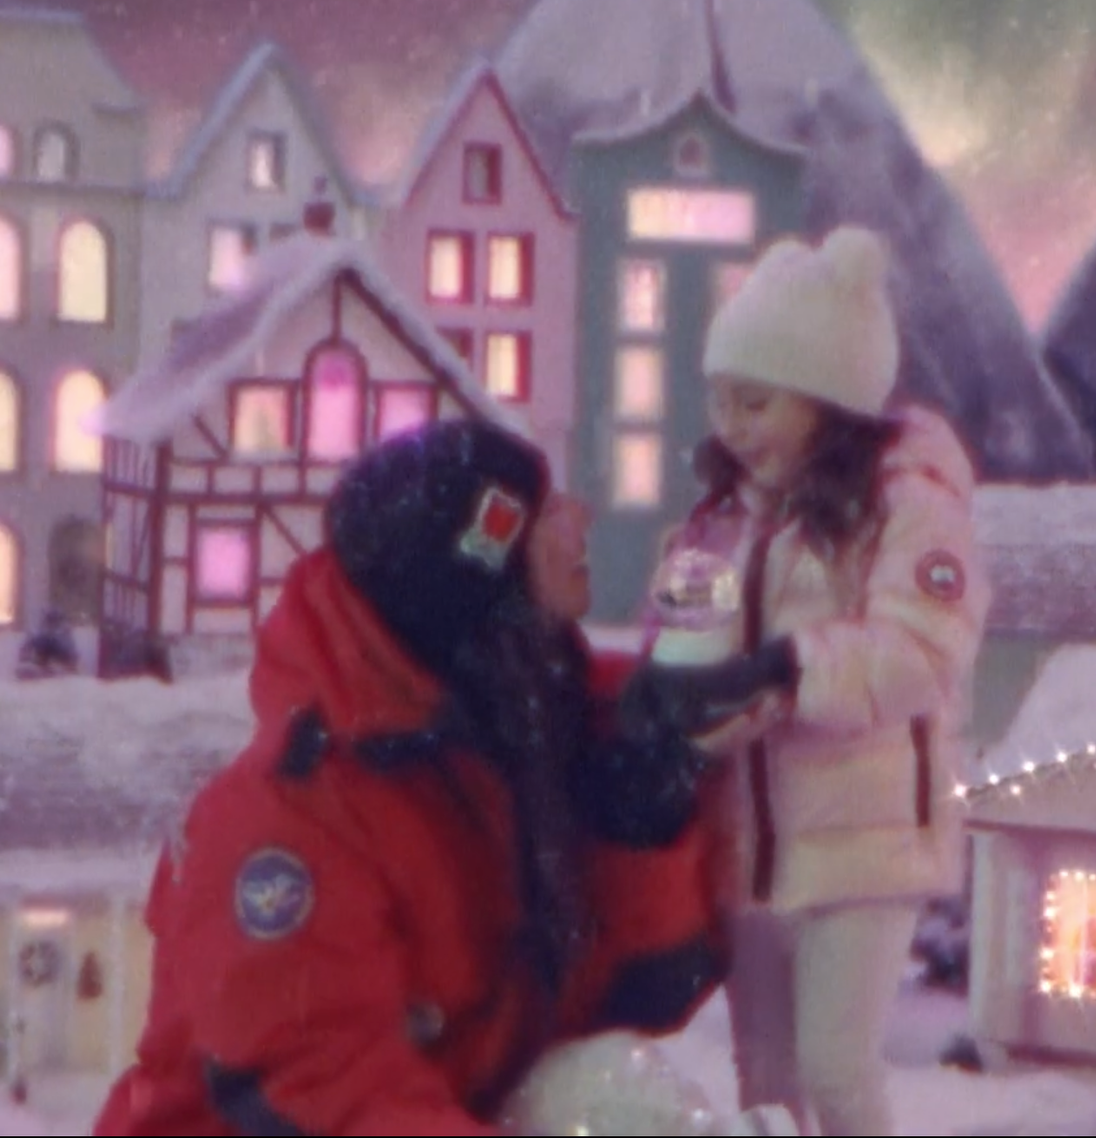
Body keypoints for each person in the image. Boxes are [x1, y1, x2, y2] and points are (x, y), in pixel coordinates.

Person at [95, 419, 726, 1137]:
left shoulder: (515, 737)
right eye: (548, 510)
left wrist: (642, 819)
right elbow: (324, 1095)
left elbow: (628, 998)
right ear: (486, 570)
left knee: (606, 1094)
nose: (581, 517)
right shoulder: (289, 819)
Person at [619, 225, 990, 1138]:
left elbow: (921, 651)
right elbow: (678, 630)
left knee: (835, 1067)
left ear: (830, 399)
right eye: (720, 402)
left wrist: (790, 667)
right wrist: (670, 686)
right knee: (765, 1076)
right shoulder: (721, 517)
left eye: (756, 402)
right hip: (750, 846)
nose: (733, 426)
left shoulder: (908, 507)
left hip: (864, 845)